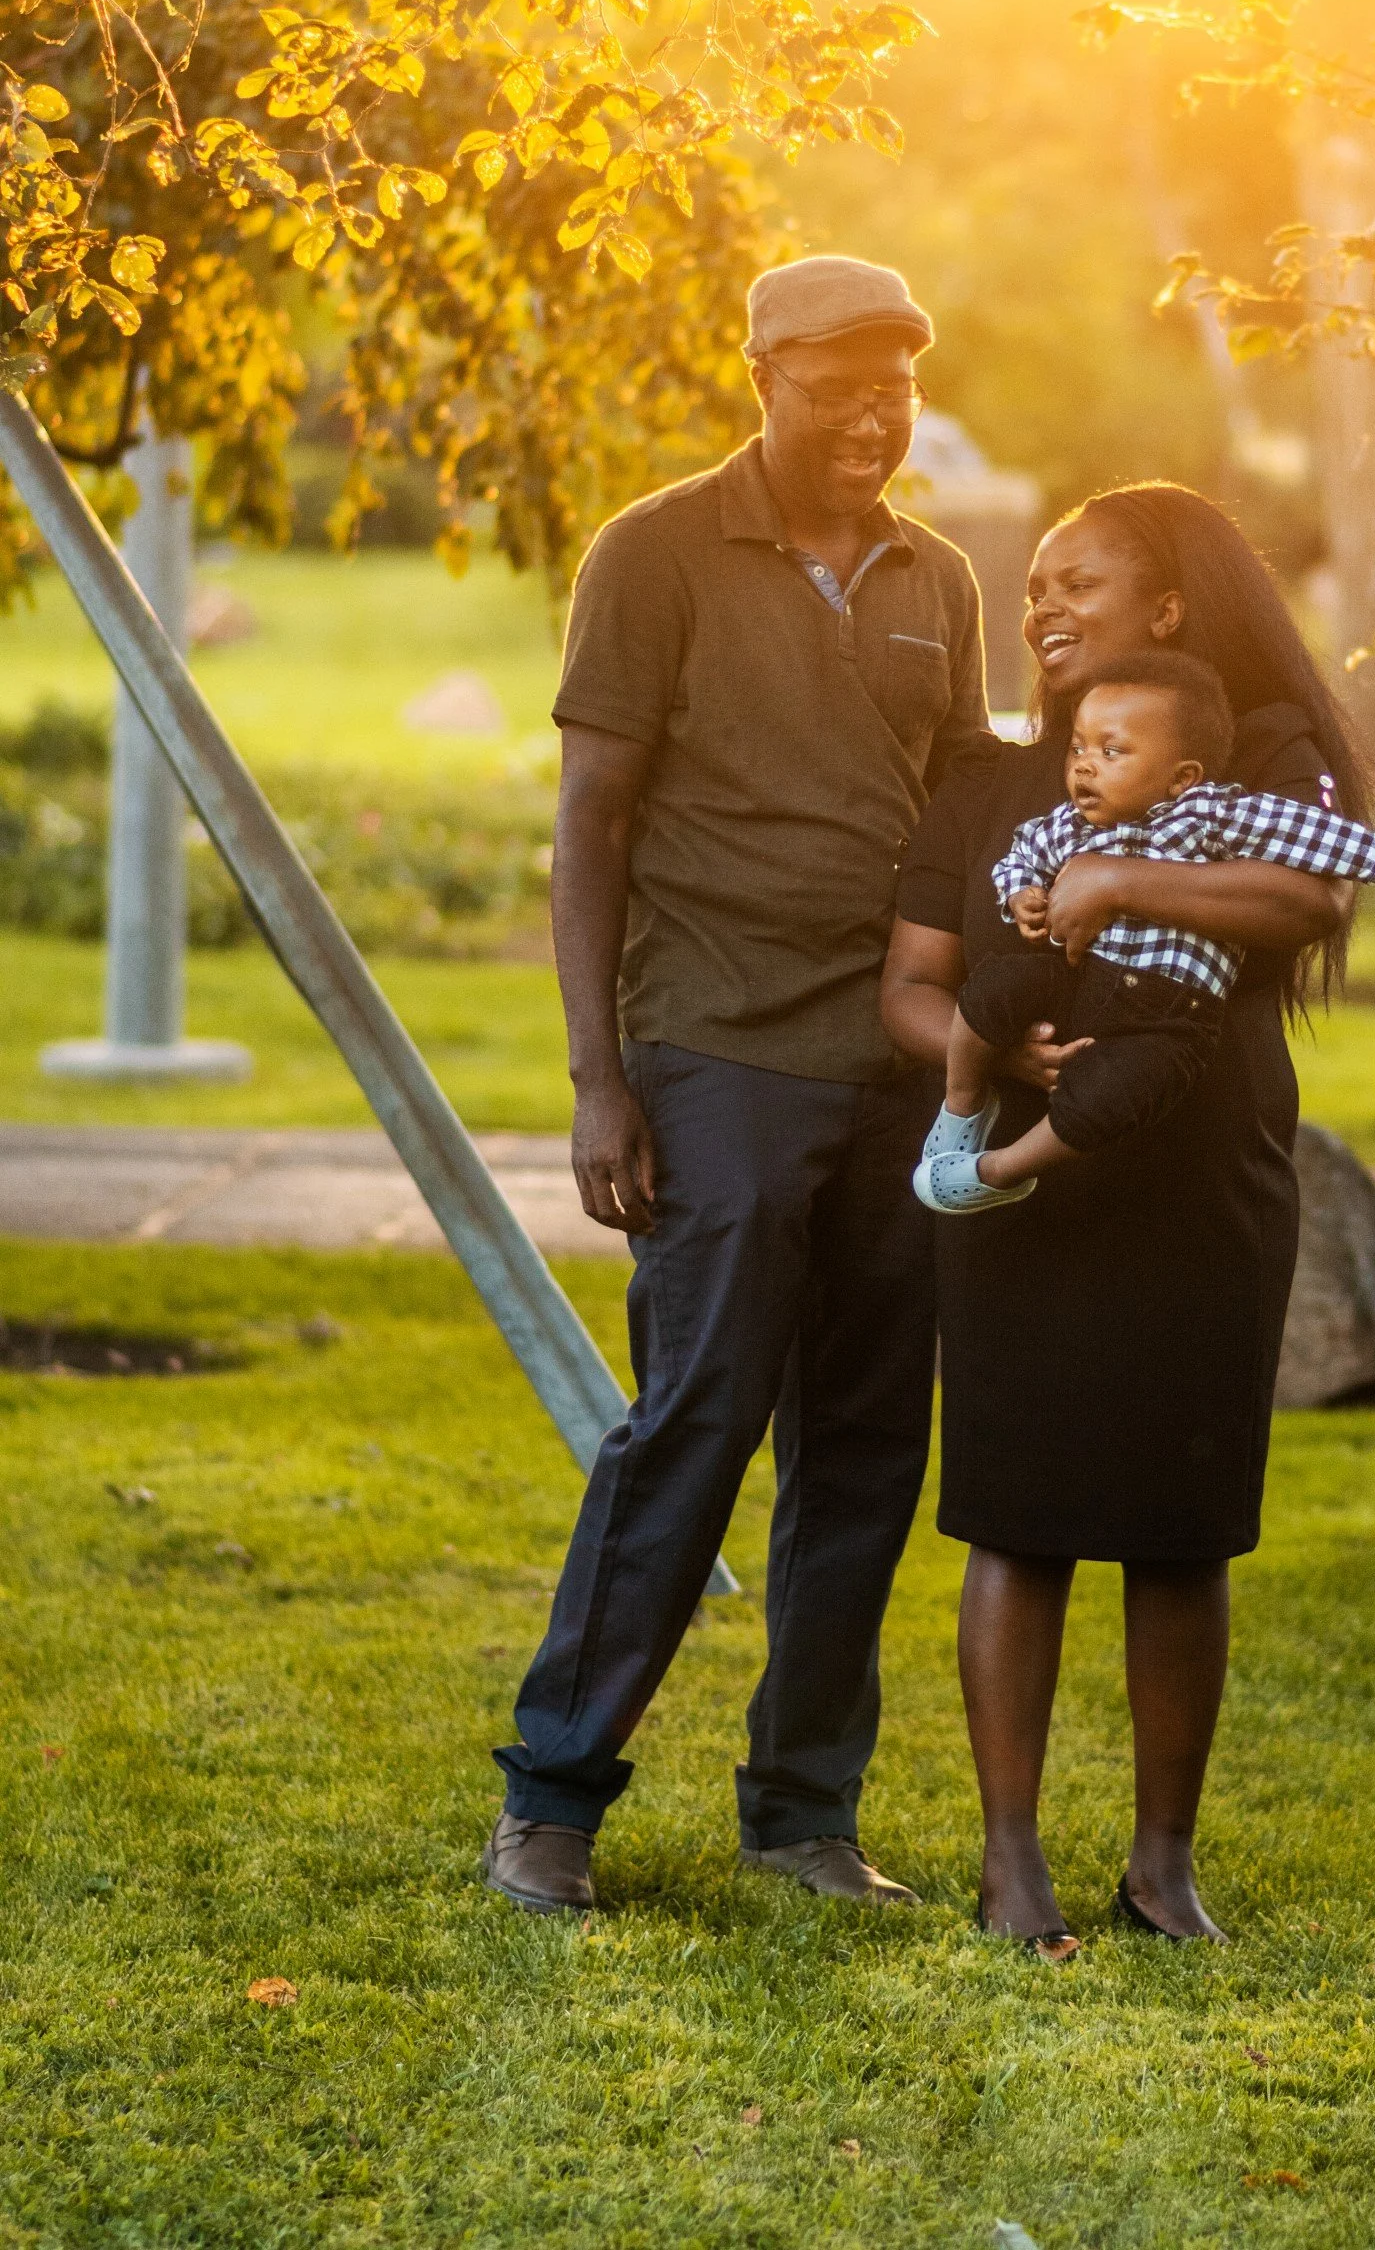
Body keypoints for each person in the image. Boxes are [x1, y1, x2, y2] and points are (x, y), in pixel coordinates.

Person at [482, 254, 988, 1919]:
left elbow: (959, 818)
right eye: (839, 387)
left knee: (865, 1445)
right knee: (697, 1416)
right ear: (763, 375)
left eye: (895, 389)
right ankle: (553, 1800)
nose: (872, 417)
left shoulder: (937, 577)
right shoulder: (653, 554)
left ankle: (803, 1815)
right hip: (716, 1050)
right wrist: (599, 1081)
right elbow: (594, 824)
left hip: (897, 1068)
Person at [881, 483, 1375, 1955]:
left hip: (1202, 1183)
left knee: (1180, 1530)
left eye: (1079, 582)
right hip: (1022, 1191)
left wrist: (1119, 875)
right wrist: (992, 1062)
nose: (1042, 605)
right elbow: (909, 986)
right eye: (1034, 584)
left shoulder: (1252, 751)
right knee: (1016, 1519)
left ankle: (1163, 1870)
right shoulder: (988, 787)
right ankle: (1011, 1863)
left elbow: (1305, 902)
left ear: (1167, 607)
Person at [917, 650, 1375, 1210]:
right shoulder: (1067, 824)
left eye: (1111, 752)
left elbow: (1308, 832)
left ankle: (1001, 1170)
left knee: (1103, 1102)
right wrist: (1021, 893)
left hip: (1169, 1015)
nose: (1084, 766)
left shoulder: (1209, 814)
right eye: (1078, 749)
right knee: (992, 990)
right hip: (1079, 979)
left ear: (1181, 778)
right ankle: (961, 1107)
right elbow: (1019, 856)